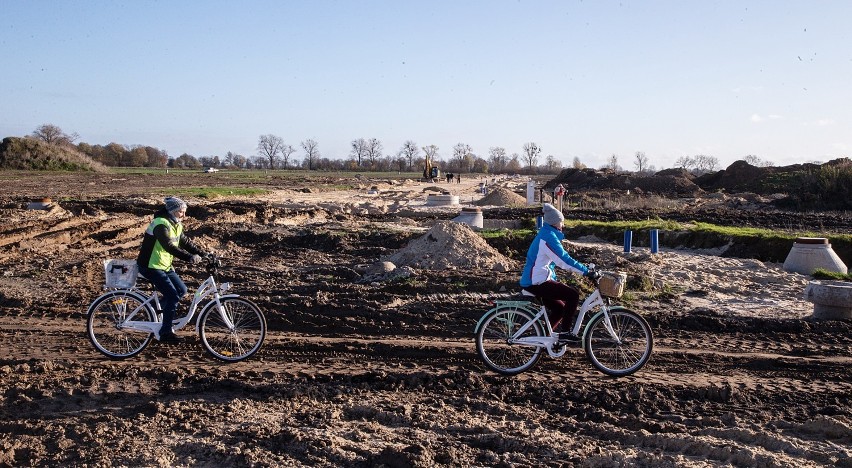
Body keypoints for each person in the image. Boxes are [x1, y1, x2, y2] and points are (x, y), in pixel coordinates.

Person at [136, 197, 208, 343]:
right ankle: (165, 333)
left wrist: (203, 254)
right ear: (173, 211)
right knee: (173, 296)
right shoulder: (160, 224)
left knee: (182, 290)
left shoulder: (175, 224)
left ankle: (152, 312)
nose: (184, 215)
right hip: (150, 266)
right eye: (181, 212)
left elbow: (185, 242)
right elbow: (169, 246)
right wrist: (189, 258)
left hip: (164, 266)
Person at [519, 203, 590, 345]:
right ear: (555, 222)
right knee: (573, 295)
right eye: (561, 222)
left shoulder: (547, 235)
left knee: (560, 308)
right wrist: (585, 271)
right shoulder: (548, 237)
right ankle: (564, 333)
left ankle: (544, 341)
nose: (563, 225)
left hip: (538, 280)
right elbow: (564, 260)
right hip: (536, 282)